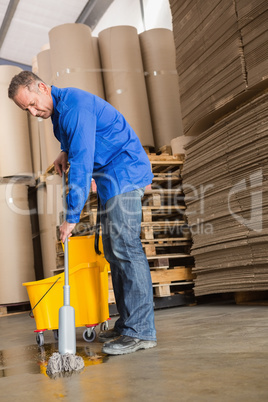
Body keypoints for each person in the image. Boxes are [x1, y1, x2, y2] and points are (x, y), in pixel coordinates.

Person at [8, 71, 157, 355]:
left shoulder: (74, 106)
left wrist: (71, 217)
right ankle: (128, 325)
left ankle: (142, 332)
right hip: (111, 178)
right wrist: (63, 151)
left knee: (126, 248)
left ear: (42, 87)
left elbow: (83, 161)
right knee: (114, 251)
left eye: (32, 103)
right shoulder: (59, 111)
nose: (32, 111)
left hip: (124, 172)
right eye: (25, 108)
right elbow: (74, 144)